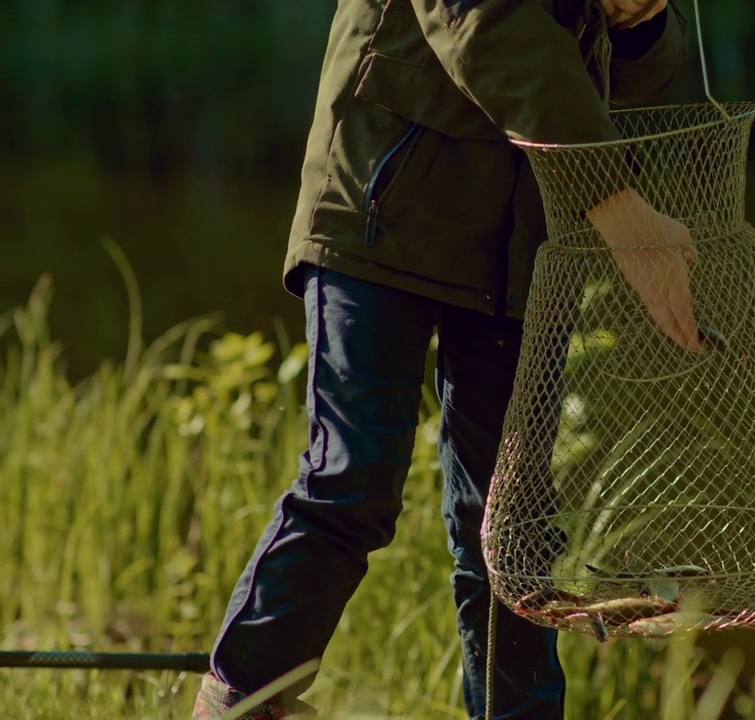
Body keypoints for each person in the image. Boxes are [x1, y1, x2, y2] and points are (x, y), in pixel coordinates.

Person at [192, 0, 698, 718]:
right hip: (379, 201)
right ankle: (241, 702)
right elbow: (482, 21)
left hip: (518, 242)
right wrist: (615, 203)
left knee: (509, 529)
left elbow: (611, 74)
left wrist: (642, 19)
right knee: (353, 481)